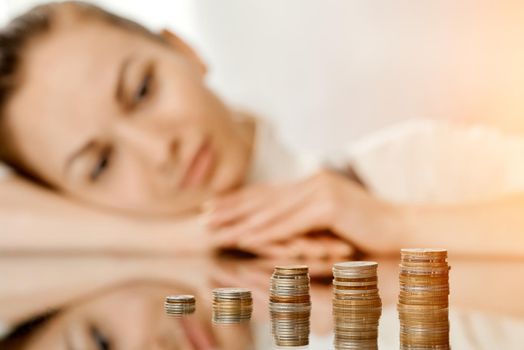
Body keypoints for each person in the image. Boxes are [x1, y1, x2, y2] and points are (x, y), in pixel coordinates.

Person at [1, 1, 524, 259]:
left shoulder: (411, 167)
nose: (160, 149)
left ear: (184, 50)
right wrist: (183, 238)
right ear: (61, 201)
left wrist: (396, 226)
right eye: (100, 164)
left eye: (142, 90)